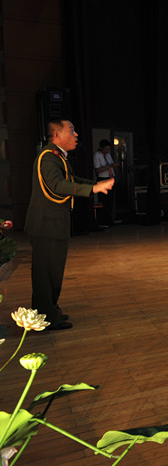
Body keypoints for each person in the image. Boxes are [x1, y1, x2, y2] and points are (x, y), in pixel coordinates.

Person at [26, 120, 115, 330]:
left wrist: (95, 185)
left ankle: (49, 311)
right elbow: (58, 185)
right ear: (57, 134)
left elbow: (70, 179)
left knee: (52, 273)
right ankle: (46, 318)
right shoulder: (48, 157)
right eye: (71, 131)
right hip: (47, 225)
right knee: (46, 274)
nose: (76, 135)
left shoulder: (57, 157)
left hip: (52, 224)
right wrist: (92, 190)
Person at [92, 139, 117, 227]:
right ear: (101, 148)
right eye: (106, 149)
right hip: (102, 179)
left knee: (110, 200)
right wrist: (109, 166)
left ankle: (109, 219)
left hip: (110, 178)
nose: (107, 151)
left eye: (108, 149)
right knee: (103, 200)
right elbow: (97, 170)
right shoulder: (96, 155)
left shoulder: (108, 155)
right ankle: (102, 221)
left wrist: (113, 166)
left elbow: (111, 165)